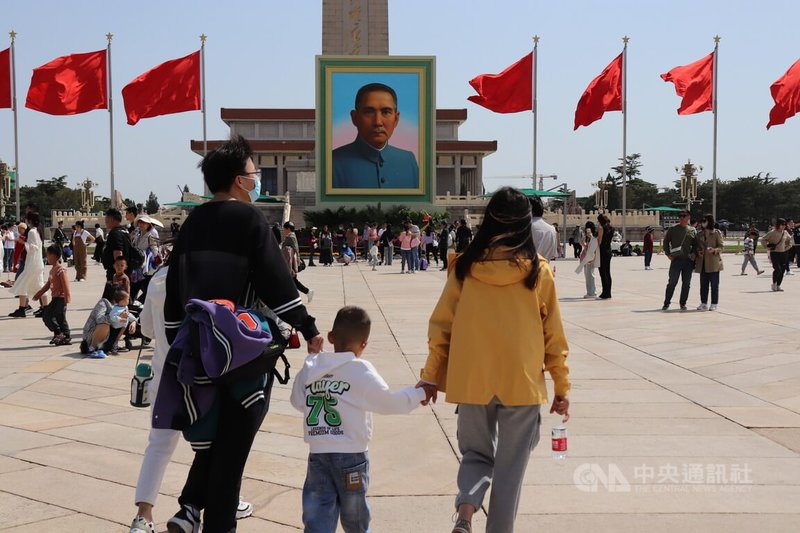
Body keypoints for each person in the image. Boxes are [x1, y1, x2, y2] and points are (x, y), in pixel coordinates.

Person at [163, 134, 323, 533]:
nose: (257, 180)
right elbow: (276, 285)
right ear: (239, 179)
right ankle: (217, 524)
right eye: (254, 174)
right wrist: (309, 327)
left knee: (213, 438)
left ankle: (189, 509)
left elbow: (173, 290)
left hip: (197, 348)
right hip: (242, 353)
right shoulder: (250, 220)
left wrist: (175, 343)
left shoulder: (192, 222)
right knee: (233, 452)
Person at [418, 187, 570, 533]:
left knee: (475, 455)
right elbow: (554, 338)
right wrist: (561, 386)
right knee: (510, 469)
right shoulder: (539, 273)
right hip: (521, 382)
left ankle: (466, 512)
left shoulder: (464, 269)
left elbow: (441, 326)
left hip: (472, 380)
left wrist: (429, 376)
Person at [128, 263, 256, 533]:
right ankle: (223, 501)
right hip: (199, 379)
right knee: (216, 445)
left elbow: (147, 329)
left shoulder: (159, 278)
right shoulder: (209, 275)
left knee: (159, 446)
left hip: (164, 376)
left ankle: (143, 516)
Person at [290, 306, 427, 533]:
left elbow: (297, 401)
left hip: (318, 455)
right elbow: (391, 402)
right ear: (363, 344)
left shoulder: (312, 365)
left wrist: (312, 357)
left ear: (331, 337)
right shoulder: (360, 369)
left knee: (317, 517)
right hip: (351, 456)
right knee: (355, 519)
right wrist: (420, 393)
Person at [332, 83, 419, 189]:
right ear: (354, 118)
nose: (378, 122)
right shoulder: (333, 161)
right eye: (369, 112)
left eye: (386, 112)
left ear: (396, 119)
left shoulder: (408, 160)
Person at [80, 288, 138, 359]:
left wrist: (134, 321)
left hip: (108, 334)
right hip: (92, 333)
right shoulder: (103, 302)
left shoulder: (122, 307)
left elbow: (129, 315)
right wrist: (118, 317)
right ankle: (92, 348)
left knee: (124, 322)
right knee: (105, 324)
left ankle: (113, 345)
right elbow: (99, 319)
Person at [10, 213, 48, 318]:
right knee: (36, 285)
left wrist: (24, 242)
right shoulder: (37, 231)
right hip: (36, 263)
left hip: (32, 263)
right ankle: (44, 308)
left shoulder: (31, 231)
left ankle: (23, 309)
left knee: (23, 283)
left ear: (29, 220)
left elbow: (33, 247)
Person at [33, 244, 72, 345]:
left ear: (55, 256)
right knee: (46, 315)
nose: (47, 257)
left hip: (61, 297)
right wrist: (39, 294)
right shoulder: (52, 270)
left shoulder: (61, 270)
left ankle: (66, 335)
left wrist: (67, 297)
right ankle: (58, 333)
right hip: (55, 298)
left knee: (60, 316)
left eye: (48, 255)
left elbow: (66, 284)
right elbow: (48, 284)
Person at [662, 210, 698, 311]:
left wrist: (694, 254)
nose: (681, 218)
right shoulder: (673, 229)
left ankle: (683, 303)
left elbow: (696, 244)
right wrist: (668, 254)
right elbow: (666, 242)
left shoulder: (692, 230)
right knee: (672, 282)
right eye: (680, 216)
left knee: (686, 283)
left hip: (688, 261)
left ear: (688, 217)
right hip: (676, 260)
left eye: (684, 216)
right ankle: (666, 302)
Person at [695, 214, 724, 311]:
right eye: (702, 221)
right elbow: (697, 246)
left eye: (705, 220)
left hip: (714, 263)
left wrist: (714, 250)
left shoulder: (716, 233)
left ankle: (714, 303)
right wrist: (698, 251)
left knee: (714, 285)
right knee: (703, 285)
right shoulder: (699, 234)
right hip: (702, 263)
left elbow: (721, 247)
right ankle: (703, 303)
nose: (703, 223)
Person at [102, 208, 132, 301]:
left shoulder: (114, 233)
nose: (105, 221)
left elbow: (118, 252)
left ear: (112, 219)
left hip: (115, 272)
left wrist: (118, 270)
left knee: (110, 299)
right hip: (123, 269)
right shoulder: (125, 231)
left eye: (106, 219)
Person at [130, 215, 161, 304]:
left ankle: (138, 302)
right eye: (140, 222)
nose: (141, 224)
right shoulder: (138, 235)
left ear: (148, 225)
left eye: (144, 223)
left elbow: (154, 249)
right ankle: (135, 302)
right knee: (139, 286)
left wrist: (157, 260)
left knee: (143, 286)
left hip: (146, 266)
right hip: (137, 265)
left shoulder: (150, 236)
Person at [282, 222, 315, 304]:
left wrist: (298, 261)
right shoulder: (291, 236)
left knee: (291, 281)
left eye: (284, 229)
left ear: (288, 229)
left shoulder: (290, 237)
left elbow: (295, 249)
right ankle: (306, 292)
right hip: (290, 263)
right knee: (292, 282)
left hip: (290, 263)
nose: (283, 231)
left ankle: (305, 293)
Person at [762, 218, 793, 292]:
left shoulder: (785, 232)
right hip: (774, 253)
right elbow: (763, 239)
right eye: (782, 224)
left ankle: (778, 285)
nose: (784, 226)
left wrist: (788, 247)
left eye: (785, 225)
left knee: (782, 270)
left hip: (783, 253)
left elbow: (790, 240)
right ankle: (774, 284)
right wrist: (767, 247)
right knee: (777, 269)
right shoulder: (773, 232)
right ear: (778, 225)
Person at [529, 196, 557, 263]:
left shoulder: (524, 228)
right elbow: (553, 254)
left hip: (526, 270)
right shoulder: (552, 230)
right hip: (545, 269)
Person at [575, 221, 599, 298]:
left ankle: (592, 292)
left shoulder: (593, 238)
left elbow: (593, 249)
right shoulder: (589, 238)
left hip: (589, 258)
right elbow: (585, 246)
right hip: (586, 257)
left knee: (590, 276)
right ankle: (590, 291)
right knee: (587, 275)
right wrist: (583, 240)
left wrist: (593, 259)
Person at [596, 213, 614, 299]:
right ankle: (609, 292)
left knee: (602, 272)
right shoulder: (611, 228)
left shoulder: (601, 228)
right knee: (608, 272)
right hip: (608, 250)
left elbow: (599, 241)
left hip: (602, 251)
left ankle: (605, 293)